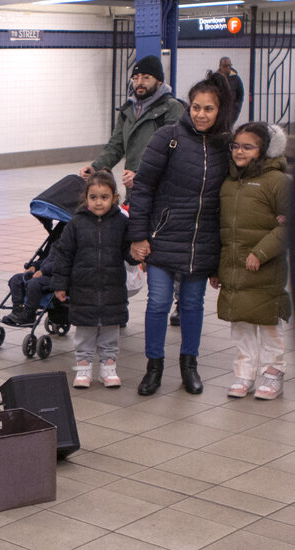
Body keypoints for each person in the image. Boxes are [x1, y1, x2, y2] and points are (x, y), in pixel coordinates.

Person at [128, 72, 234, 396]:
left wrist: (221, 259)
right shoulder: (168, 138)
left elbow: (231, 199)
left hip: (201, 243)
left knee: (192, 304)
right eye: (196, 107)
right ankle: (154, 366)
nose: (200, 114)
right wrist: (138, 236)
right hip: (162, 238)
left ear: (220, 111)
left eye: (209, 109)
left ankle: (189, 364)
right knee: (158, 303)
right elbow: (143, 187)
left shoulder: (225, 146)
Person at [212, 123, 289, 399]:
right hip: (234, 267)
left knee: (268, 322)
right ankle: (244, 374)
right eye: (235, 146)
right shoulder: (229, 182)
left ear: (264, 150)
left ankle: (273, 372)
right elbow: (222, 228)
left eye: (248, 146)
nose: (239, 151)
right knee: (241, 323)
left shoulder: (278, 182)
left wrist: (261, 252)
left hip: (265, 268)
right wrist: (217, 268)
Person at [51, 172, 133, 389]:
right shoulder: (76, 224)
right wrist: (60, 284)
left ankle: (108, 367)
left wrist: (137, 254)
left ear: (114, 198)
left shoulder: (121, 223)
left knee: (109, 330)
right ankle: (83, 368)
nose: (99, 202)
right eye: (94, 197)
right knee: (85, 331)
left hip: (112, 287)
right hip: (82, 288)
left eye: (104, 197)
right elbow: (64, 254)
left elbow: (128, 250)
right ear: (86, 198)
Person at [79, 55, 186, 206]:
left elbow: (172, 151)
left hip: (161, 191)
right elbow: (116, 145)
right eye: (135, 78)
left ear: (160, 81)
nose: (139, 83)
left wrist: (142, 175)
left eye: (146, 77)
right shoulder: (128, 110)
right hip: (134, 189)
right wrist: (95, 167)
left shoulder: (172, 108)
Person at [2, 256, 54, 326]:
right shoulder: (55, 246)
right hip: (44, 272)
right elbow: (45, 260)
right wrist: (34, 266)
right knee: (16, 279)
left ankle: (29, 315)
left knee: (33, 283)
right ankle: (17, 311)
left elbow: (63, 264)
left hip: (57, 277)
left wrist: (43, 271)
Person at [215, 57, 245, 125]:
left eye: (229, 65)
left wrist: (237, 106)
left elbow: (240, 94)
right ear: (220, 66)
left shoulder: (235, 78)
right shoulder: (216, 78)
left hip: (232, 110)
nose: (228, 68)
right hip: (219, 110)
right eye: (225, 66)